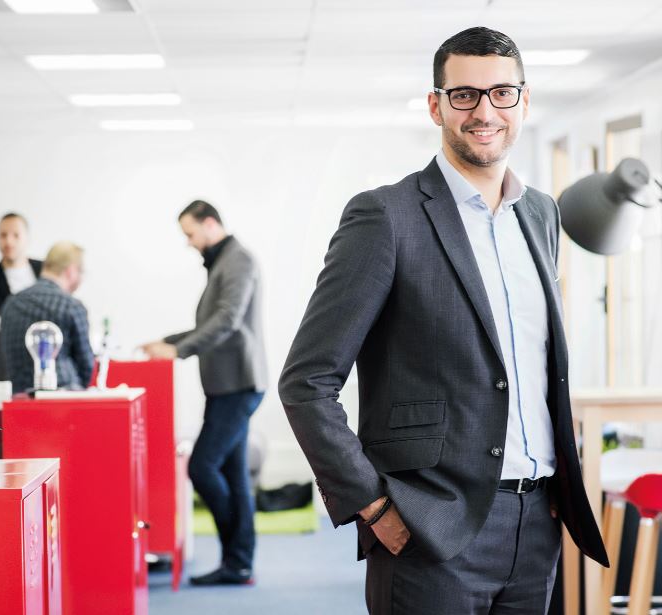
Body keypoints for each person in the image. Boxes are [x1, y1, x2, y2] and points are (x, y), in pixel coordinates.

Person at [278, 27, 608, 614]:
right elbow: (307, 382)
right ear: (436, 105)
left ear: (524, 102)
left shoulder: (541, 213)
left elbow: (531, 365)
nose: (485, 111)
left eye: (502, 93)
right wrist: (372, 506)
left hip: (537, 523)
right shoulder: (386, 216)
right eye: (464, 95)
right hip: (429, 524)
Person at [142, 200, 267, 586]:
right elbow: (210, 323)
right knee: (231, 474)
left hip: (238, 384)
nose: (189, 243)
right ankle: (238, 562)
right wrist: (166, 340)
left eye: (190, 234)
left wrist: (178, 350)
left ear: (211, 225)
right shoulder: (224, 261)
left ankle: (238, 555)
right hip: (226, 385)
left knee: (201, 467)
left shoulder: (238, 259)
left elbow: (227, 321)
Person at [0, 241, 93, 394]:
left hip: (17, 401)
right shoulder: (72, 306)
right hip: (64, 401)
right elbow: (86, 367)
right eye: (81, 272)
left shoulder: (10, 304)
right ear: (71, 271)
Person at [0, 212, 42, 315]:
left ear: (27, 238)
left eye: (16, 235)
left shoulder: (47, 270)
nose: (9, 242)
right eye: (3, 235)